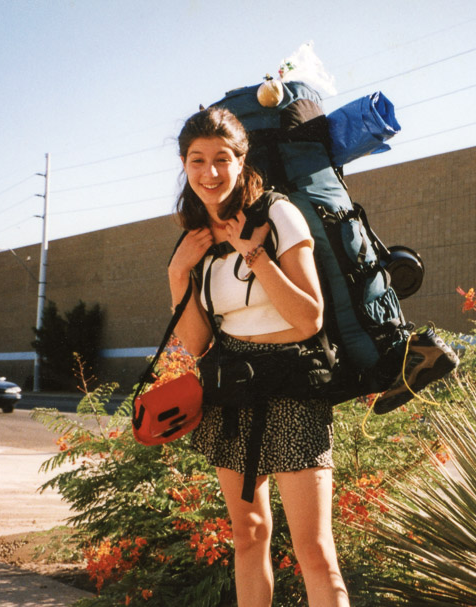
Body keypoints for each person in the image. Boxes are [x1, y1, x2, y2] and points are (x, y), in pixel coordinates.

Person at [167, 106, 350, 607]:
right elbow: (198, 344)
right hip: (234, 394)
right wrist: (177, 275)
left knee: (313, 549)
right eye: (197, 160)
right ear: (184, 164)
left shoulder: (278, 213)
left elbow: (308, 317)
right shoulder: (195, 239)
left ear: (242, 160)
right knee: (248, 537)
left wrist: (255, 256)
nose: (210, 173)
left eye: (222, 159)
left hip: (292, 389)